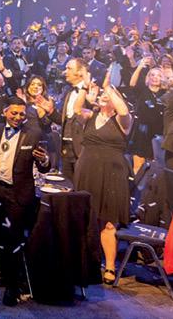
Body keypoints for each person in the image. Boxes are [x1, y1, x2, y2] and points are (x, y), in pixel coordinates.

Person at [0, 96, 51, 306]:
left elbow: (44, 166)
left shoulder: (34, 133)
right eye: (14, 113)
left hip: (18, 194)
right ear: (5, 112)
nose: (18, 117)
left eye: (22, 114)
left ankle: (13, 288)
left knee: (13, 240)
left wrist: (44, 160)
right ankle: (4, 275)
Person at [71, 81, 133, 285]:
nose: (105, 96)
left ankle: (110, 266)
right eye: (103, 95)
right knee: (85, 217)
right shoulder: (90, 116)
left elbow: (123, 109)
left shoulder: (123, 120)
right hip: (87, 170)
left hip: (112, 174)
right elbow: (76, 109)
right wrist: (84, 89)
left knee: (108, 222)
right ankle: (82, 259)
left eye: (110, 95)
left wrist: (109, 89)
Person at [52, 58, 90, 181]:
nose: (65, 72)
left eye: (69, 68)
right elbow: (65, 120)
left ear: (81, 72)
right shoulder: (69, 92)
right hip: (66, 146)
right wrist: (50, 112)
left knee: (82, 185)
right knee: (67, 185)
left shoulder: (92, 91)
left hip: (82, 149)